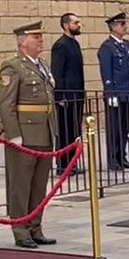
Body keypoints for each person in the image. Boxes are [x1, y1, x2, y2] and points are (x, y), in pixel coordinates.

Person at [0, 22, 58, 247]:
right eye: (35, 36)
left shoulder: (42, 65)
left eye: (41, 36)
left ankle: (36, 228)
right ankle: (21, 231)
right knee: (21, 186)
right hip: (25, 134)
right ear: (23, 41)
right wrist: (14, 136)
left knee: (39, 185)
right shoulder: (13, 67)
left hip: (44, 133)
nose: (40, 40)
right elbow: (6, 104)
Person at [97, 11, 129, 169]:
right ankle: (113, 158)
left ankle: (122, 155)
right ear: (113, 27)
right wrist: (110, 93)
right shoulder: (107, 47)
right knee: (114, 127)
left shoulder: (126, 45)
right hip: (116, 92)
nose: (125, 27)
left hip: (127, 91)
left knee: (125, 125)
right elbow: (106, 71)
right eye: (122, 24)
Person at [50, 13, 85, 174]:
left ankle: (72, 163)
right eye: (75, 22)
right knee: (65, 130)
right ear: (66, 25)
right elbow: (58, 72)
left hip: (76, 94)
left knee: (74, 130)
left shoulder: (74, 43)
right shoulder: (61, 45)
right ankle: (63, 164)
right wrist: (60, 96)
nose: (79, 25)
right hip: (66, 96)